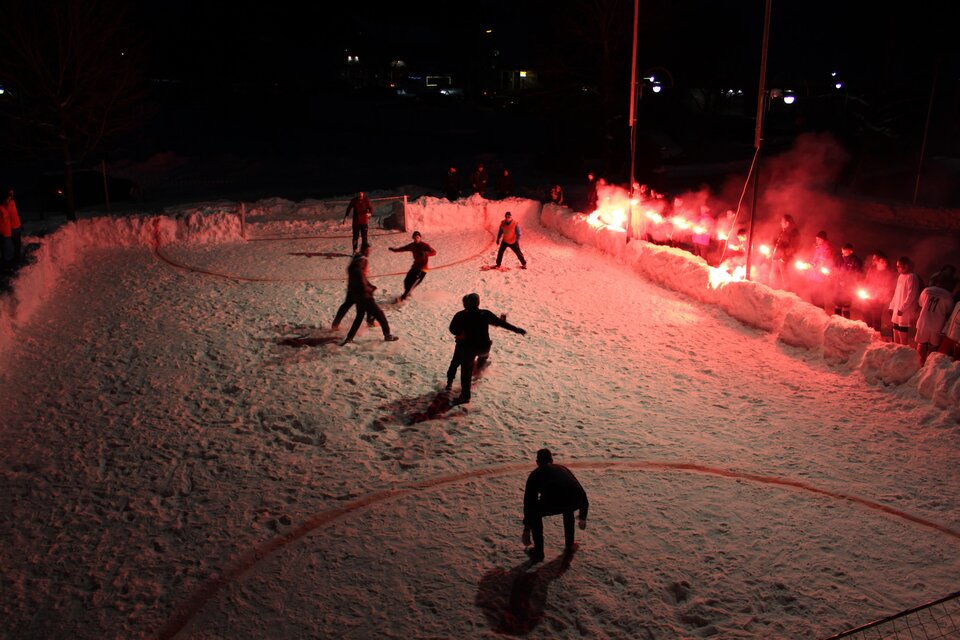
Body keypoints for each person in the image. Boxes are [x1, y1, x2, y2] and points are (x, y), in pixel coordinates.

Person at [446, 292, 525, 404]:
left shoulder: (460, 315)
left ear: (465, 304)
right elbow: (500, 323)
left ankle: (462, 394)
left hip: (467, 348)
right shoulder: (484, 313)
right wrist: (516, 329)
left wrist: (461, 332)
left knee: (464, 369)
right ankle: (481, 364)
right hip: (484, 347)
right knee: (483, 354)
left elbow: (452, 329)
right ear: (478, 303)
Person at [522, 448, 589, 562]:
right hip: (576, 500)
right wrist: (583, 516)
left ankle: (538, 551)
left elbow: (529, 503)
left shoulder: (535, 474)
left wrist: (527, 528)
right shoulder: (563, 468)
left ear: (537, 462)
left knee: (536, 512)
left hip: (557, 501)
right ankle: (570, 544)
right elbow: (580, 491)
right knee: (568, 508)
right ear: (552, 460)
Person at [339, 243, 398, 345]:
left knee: (360, 316)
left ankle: (349, 338)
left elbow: (358, 275)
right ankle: (387, 335)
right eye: (368, 250)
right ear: (365, 250)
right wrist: (367, 287)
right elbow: (359, 274)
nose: (370, 252)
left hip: (357, 293)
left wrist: (368, 285)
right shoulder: (362, 260)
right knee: (379, 314)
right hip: (364, 294)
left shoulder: (356, 259)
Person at [915, 272, 953, 365]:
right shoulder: (948, 295)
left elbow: (920, 303)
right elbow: (949, 311)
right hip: (937, 325)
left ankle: (918, 364)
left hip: (923, 322)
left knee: (921, 344)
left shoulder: (927, 290)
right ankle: (928, 367)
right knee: (933, 347)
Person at [389, 231, 437, 301]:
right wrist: (395, 250)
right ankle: (407, 293)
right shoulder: (412, 245)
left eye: (417, 237)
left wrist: (426, 253)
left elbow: (434, 252)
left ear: (420, 238)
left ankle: (403, 297)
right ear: (413, 238)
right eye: (415, 238)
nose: (416, 239)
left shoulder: (425, 245)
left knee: (413, 283)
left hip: (423, 268)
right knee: (406, 281)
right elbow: (403, 248)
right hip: (415, 266)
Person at [889, 256, 922, 347]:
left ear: (906, 266)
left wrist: (902, 308)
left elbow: (911, 295)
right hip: (897, 308)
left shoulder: (912, 277)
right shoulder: (901, 276)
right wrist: (891, 306)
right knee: (895, 328)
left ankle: (903, 350)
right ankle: (896, 348)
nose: (897, 268)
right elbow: (896, 293)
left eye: (899, 266)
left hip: (905, 310)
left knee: (902, 330)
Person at [862, 252, 897, 336]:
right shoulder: (872, 269)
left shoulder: (887, 271)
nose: (873, 260)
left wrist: (881, 291)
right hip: (869, 296)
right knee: (866, 313)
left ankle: (876, 334)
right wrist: (865, 288)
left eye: (875, 258)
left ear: (881, 260)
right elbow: (867, 280)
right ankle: (868, 332)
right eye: (873, 258)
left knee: (876, 316)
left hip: (879, 298)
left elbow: (889, 285)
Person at [833, 243, 863, 318]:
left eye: (846, 251)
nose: (844, 252)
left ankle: (846, 324)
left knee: (846, 307)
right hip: (838, 286)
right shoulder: (839, 259)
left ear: (851, 251)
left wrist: (847, 282)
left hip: (848, 288)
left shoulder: (855, 260)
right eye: (843, 250)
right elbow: (835, 270)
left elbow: (857, 274)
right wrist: (837, 280)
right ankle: (836, 321)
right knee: (837, 305)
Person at [770, 214, 800, 291]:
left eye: (782, 221)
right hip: (776, 258)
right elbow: (778, 243)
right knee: (774, 278)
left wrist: (784, 257)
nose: (781, 223)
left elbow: (793, 247)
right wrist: (773, 248)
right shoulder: (782, 231)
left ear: (787, 223)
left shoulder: (793, 232)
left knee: (785, 281)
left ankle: (786, 296)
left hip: (783, 260)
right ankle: (773, 293)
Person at [0, 187, 22, 270]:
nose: (9, 198)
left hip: (15, 229)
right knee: (8, 250)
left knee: (16, 248)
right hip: (6, 233)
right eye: (8, 197)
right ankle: (7, 267)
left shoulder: (12, 202)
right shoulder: (2, 207)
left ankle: (16, 263)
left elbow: (14, 216)